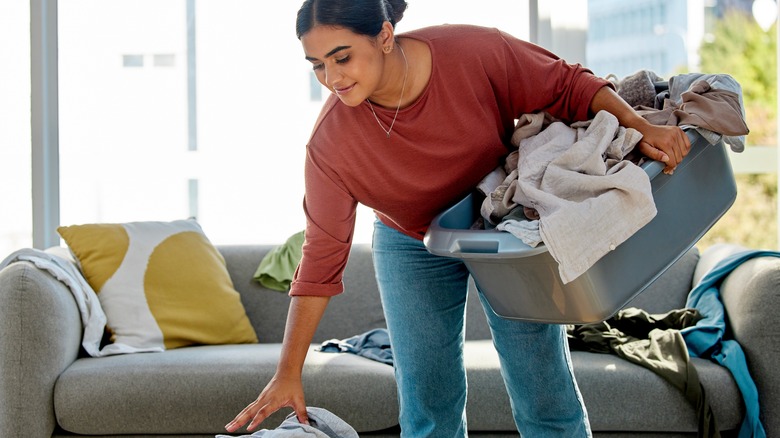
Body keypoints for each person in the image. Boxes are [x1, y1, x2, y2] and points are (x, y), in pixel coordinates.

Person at [225, 0, 691, 436]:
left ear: (385, 36)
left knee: (542, 387)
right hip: (410, 241)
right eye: (317, 65)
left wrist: (642, 126)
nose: (330, 78)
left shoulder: (471, 52)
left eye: (341, 58)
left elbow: (567, 85)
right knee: (428, 405)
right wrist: (288, 372)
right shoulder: (330, 145)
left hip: (501, 230)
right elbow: (322, 254)